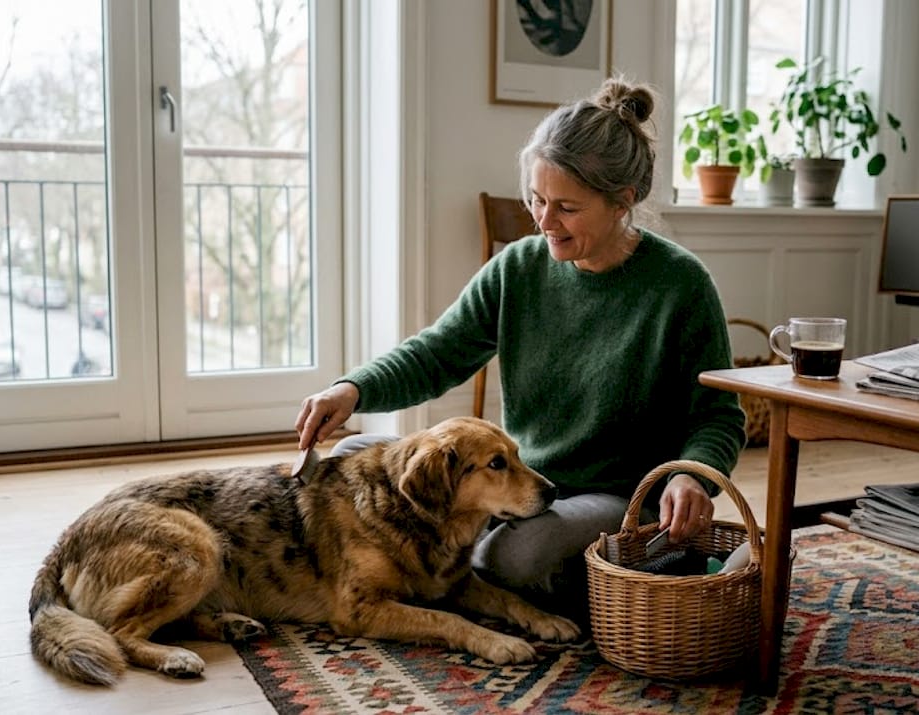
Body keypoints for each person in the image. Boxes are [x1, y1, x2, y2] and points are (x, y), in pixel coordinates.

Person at [294, 78, 747, 619]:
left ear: (622, 201)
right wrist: (354, 389)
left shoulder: (681, 285)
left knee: (515, 558)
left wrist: (690, 475)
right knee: (353, 461)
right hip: (517, 481)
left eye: (567, 208)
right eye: (536, 199)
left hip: (612, 498)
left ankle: (552, 571)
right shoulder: (517, 268)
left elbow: (719, 415)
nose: (544, 221)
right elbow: (439, 351)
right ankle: (509, 573)